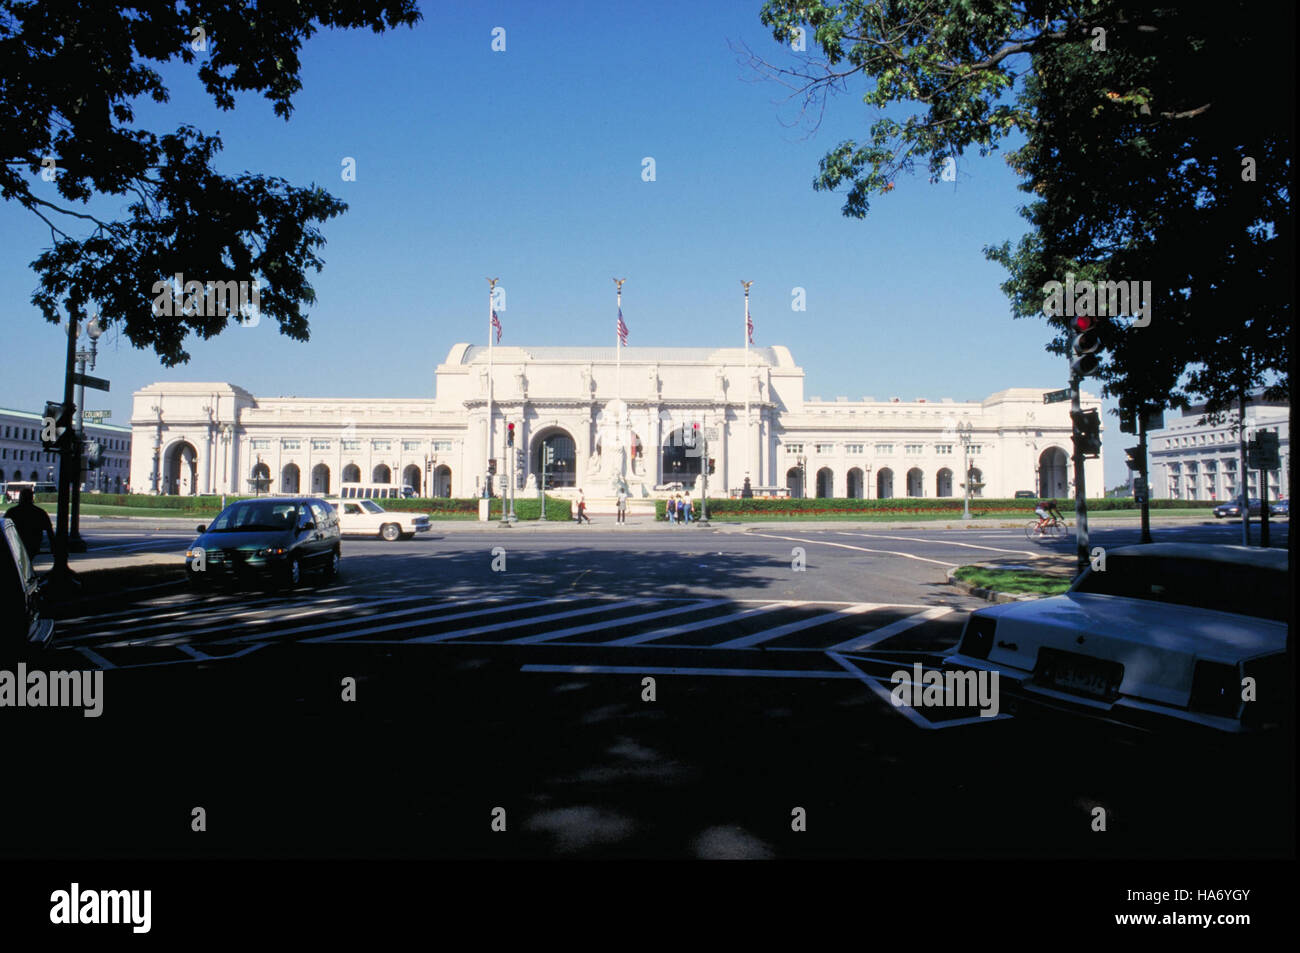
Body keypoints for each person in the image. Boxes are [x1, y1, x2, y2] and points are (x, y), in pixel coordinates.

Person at [4, 487, 55, 559]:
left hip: (16, 543)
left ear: (20, 497)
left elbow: (4, 528)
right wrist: (53, 546)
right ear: (31, 498)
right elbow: (49, 531)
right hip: (34, 544)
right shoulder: (40, 512)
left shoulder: (12, 512)